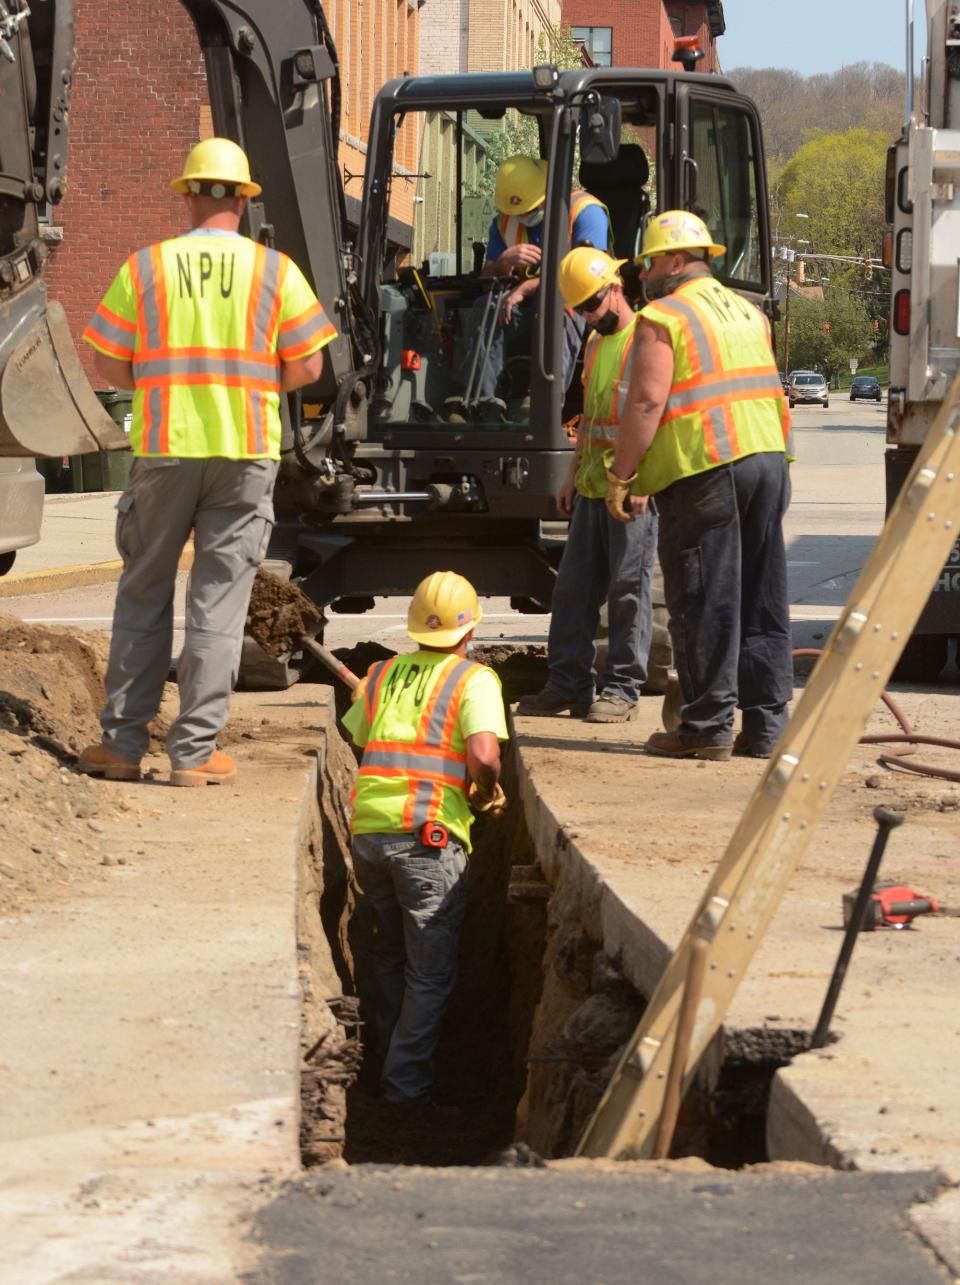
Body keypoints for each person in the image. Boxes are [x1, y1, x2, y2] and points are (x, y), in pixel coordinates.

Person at [78, 138, 336, 787]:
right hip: (244, 450)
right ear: (244, 200)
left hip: (167, 448)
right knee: (219, 604)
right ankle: (193, 754)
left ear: (189, 195)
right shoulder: (273, 271)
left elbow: (108, 362)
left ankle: (125, 745)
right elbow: (309, 364)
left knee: (144, 593)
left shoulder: (148, 267)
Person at [604, 210, 794, 760]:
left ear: (676, 261)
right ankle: (765, 730)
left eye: (649, 262)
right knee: (762, 596)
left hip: (706, 467)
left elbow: (646, 401)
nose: (642, 274)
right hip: (767, 460)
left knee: (703, 596)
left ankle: (706, 728)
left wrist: (621, 476)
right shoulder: (748, 311)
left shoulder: (663, 316)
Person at [341, 571, 508, 1105]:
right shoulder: (473, 680)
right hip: (428, 840)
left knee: (388, 954)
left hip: (369, 836)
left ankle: (386, 1056)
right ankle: (405, 1088)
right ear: (470, 630)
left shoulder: (381, 673)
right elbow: (483, 755)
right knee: (429, 973)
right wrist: (486, 791)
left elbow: (362, 738)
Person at [517, 248, 657, 722]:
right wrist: (573, 475)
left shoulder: (646, 339)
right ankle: (567, 683)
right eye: (581, 308)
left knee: (628, 591)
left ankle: (621, 689)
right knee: (572, 591)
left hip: (630, 489)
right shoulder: (597, 343)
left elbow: (654, 413)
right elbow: (593, 415)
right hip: (595, 486)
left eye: (594, 303)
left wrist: (643, 480)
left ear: (617, 287)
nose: (589, 314)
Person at [450, 155, 612, 415]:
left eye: (529, 209)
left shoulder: (585, 212)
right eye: (517, 211)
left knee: (554, 307)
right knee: (485, 306)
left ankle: (542, 402)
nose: (522, 216)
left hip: (578, 305)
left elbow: (588, 280)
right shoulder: (504, 222)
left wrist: (525, 288)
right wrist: (503, 262)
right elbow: (486, 282)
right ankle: (485, 403)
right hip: (523, 307)